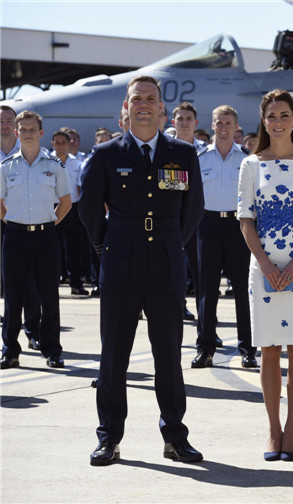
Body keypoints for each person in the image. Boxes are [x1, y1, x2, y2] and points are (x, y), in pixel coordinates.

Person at [79, 75, 205, 466]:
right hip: (120, 262)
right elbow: (88, 210)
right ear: (125, 108)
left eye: (151, 99)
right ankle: (109, 437)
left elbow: (193, 208)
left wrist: (171, 243)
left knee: (168, 354)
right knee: (114, 355)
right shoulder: (105, 155)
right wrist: (107, 247)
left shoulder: (183, 154)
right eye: (137, 99)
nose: (144, 105)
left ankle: (174, 437)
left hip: (166, 264)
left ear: (162, 109)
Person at [237, 89, 293, 461]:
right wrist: (266, 263)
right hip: (263, 268)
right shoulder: (251, 164)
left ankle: (292, 431)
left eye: (284, 114)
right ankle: (273, 431)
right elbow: (246, 218)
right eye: (271, 115)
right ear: (263, 119)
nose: (278, 121)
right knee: (269, 349)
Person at [1, 110, 71, 370]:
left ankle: (52, 350)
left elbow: (65, 202)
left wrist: (49, 223)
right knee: (13, 296)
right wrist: (14, 222)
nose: (27, 133)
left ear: (41, 133)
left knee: (49, 296)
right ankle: (10, 350)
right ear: (17, 133)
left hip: (46, 236)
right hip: (16, 236)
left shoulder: (54, 166)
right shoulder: (7, 167)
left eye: (32, 129)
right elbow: (0, 203)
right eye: (23, 129)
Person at [191, 105, 256, 369]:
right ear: (213, 125)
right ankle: (205, 348)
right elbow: (191, 196)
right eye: (219, 123)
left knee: (243, 289)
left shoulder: (247, 160)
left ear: (236, 127)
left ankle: (248, 349)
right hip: (207, 225)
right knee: (207, 290)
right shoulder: (200, 158)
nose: (223, 127)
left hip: (238, 226)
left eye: (228, 123)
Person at [51, 130, 90, 296]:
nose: (60, 146)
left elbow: (80, 187)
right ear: (52, 144)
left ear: (69, 144)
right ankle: (52, 282)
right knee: (52, 247)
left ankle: (76, 282)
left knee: (74, 248)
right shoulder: (47, 161)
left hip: (72, 209)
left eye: (63, 142)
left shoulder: (77, 163)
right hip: (51, 208)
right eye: (57, 142)